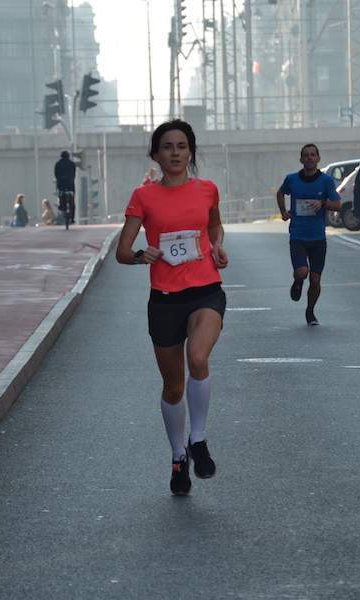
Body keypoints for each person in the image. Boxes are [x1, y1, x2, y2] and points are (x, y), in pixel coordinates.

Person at [115, 118, 229, 496]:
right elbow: (122, 251)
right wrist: (140, 255)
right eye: (167, 147)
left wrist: (217, 245)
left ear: (190, 152)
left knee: (198, 358)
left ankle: (198, 440)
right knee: (173, 386)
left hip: (206, 291)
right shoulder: (143, 196)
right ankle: (179, 457)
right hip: (164, 300)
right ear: (156, 155)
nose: (175, 153)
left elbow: (214, 227)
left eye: (182, 146)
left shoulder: (207, 190)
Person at [276, 143, 341, 326]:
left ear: (318, 158)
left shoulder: (326, 181)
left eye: (313, 155)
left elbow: (338, 205)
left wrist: (323, 203)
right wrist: (283, 212)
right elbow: (280, 193)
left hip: (318, 236)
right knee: (302, 272)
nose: (310, 158)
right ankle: (298, 281)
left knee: (315, 278)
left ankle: (310, 311)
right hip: (298, 235)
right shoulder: (292, 179)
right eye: (306, 155)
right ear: (301, 160)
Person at [54, 150, 76, 224]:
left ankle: (61, 205)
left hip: (61, 185)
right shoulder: (72, 164)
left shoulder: (58, 164)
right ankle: (72, 218)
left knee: (60, 195)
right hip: (70, 184)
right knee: (72, 200)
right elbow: (74, 174)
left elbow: (56, 175)